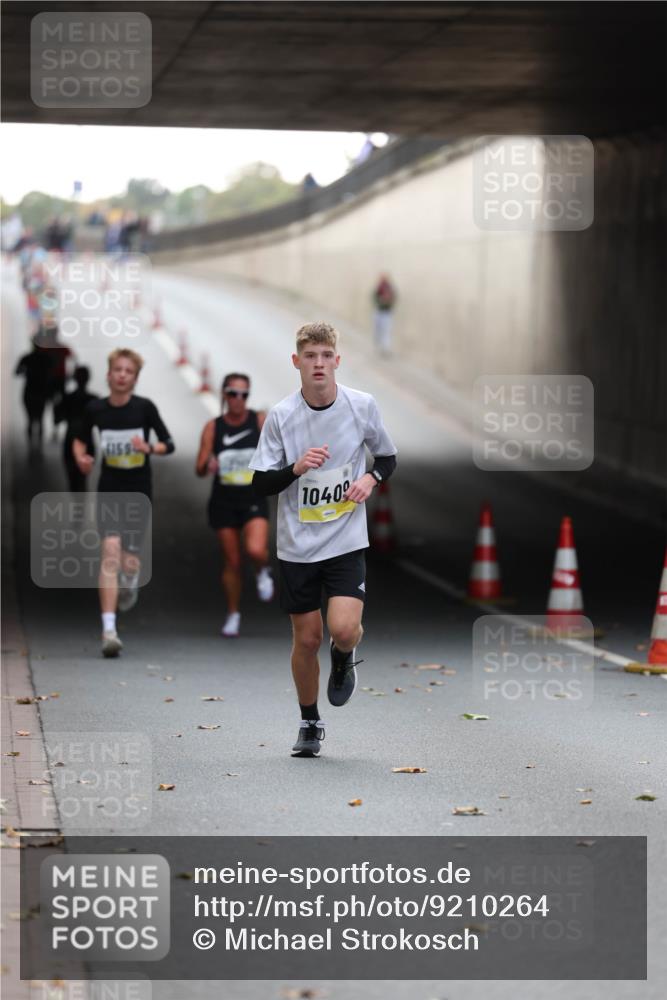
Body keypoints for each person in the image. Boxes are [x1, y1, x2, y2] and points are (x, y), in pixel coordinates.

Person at [250, 322, 397, 757]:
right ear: (297, 362)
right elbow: (259, 483)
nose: (318, 364)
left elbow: (387, 457)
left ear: (337, 360)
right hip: (297, 546)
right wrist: (294, 468)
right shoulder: (282, 416)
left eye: (325, 355)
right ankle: (310, 722)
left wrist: (370, 479)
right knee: (307, 638)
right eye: (310, 356)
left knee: (344, 629)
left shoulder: (361, 406)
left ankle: (344, 655)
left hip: (346, 539)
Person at [73, 349, 175, 658]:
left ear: (135, 378)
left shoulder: (144, 409)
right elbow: (79, 439)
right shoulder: (96, 409)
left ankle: (130, 581)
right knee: (110, 552)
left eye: (127, 371)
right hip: (109, 488)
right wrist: (82, 457)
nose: (121, 375)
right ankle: (108, 629)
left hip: (138, 490)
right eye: (116, 369)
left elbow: (168, 443)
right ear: (108, 374)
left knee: (129, 561)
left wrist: (149, 447)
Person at [195, 373, 274, 638]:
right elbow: (199, 467)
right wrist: (210, 465)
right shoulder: (213, 427)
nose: (238, 400)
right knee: (232, 561)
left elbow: (279, 449)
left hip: (253, 498)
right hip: (224, 501)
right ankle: (233, 613)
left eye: (244, 394)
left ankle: (263, 570)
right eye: (233, 393)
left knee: (256, 550)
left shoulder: (259, 421)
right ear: (224, 395)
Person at [54, 366, 99, 493]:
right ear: (88, 379)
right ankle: (80, 508)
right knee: (81, 480)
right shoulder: (93, 400)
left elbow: (57, 419)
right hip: (87, 444)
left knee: (73, 482)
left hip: (70, 443)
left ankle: (78, 508)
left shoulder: (68, 398)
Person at [14, 336, 56, 447]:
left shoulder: (28, 358)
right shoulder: (46, 359)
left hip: (32, 392)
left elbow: (17, 372)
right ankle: (36, 446)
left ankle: (32, 446)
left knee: (31, 420)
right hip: (40, 392)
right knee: (38, 419)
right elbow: (52, 376)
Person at [372, 274, 397, 356]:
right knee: (377, 330)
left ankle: (385, 349)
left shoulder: (391, 289)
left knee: (386, 331)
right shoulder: (379, 288)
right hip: (379, 312)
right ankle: (377, 345)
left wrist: (387, 301)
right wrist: (380, 301)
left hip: (387, 313)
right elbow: (374, 298)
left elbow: (393, 299)